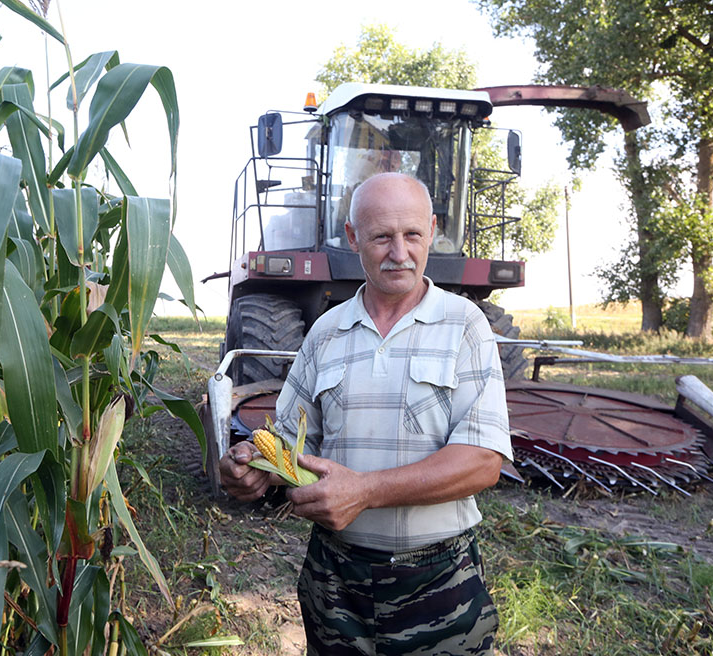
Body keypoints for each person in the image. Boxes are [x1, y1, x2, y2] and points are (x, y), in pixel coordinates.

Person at [219, 172, 512, 655]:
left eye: (413, 235)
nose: (400, 253)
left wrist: (367, 491)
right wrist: (251, 467)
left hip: (439, 583)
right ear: (353, 237)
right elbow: (291, 445)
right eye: (381, 237)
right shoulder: (326, 332)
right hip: (335, 580)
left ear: (433, 229)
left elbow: (483, 461)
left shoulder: (466, 324)